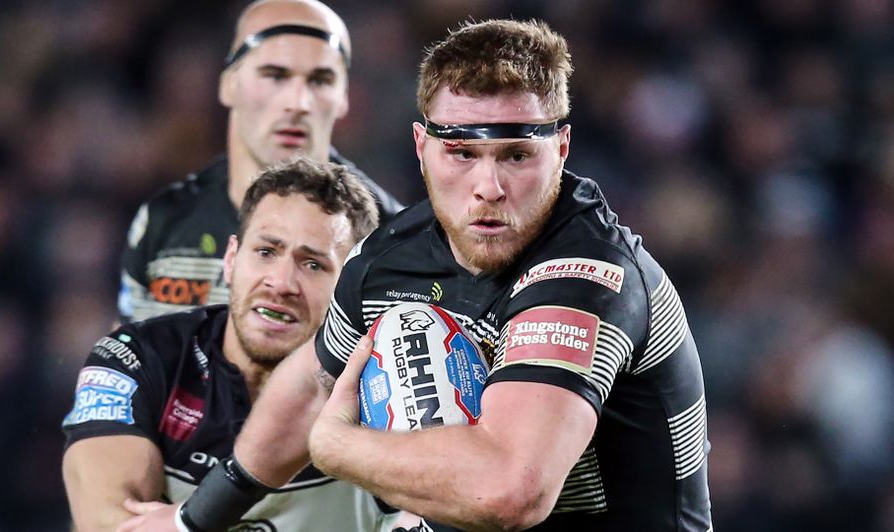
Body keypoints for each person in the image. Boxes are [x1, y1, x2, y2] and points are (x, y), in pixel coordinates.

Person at [121, 19, 713, 532]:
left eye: (516, 155)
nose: (488, 187)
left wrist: (337, 446)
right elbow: (309, 387)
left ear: (560, 149)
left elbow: (509, 494)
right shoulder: (390, 256)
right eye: (462, 153)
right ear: (421, 146)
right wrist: (192, 520)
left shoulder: (589, 276)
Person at [62, 158, 413, 531]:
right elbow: (110, 524)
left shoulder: (389, 386)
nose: (281, 283)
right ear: (231, 260)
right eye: (266, 252)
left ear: (355, 287)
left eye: (313, 265)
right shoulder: (135, 359)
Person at [118, 0, 403, 324]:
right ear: (229, 84)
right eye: (275, 75)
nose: (298, 102)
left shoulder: (390, 241)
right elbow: (129, 347)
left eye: (320, 80)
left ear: (344, 97)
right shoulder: (163, 222)